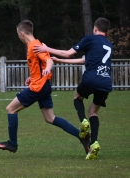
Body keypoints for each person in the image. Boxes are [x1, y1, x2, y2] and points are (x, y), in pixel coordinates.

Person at [0, 20, 90, 156]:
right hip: (43, 85)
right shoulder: (34, 45)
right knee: (50, 118)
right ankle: (82, 137)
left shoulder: (34, 46)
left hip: (38, 87)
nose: (19, 37)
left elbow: (49, 60)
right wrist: (32, 77)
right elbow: (39, 65)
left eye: (18, 35)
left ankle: (12, 143)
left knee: (11, 109)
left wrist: (47, 69)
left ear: (21, 33)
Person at [33, 17, 112, 160]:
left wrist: (47, 49)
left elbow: (69, 52)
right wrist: (60, 60)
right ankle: (93, 143)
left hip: (91, 78)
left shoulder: (90, 39)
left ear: (95, 29)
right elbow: (84, 60)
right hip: (106, 81)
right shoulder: (108, 44)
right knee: (93, 112)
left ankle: (83, 121)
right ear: (107, 31)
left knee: (77, 97)